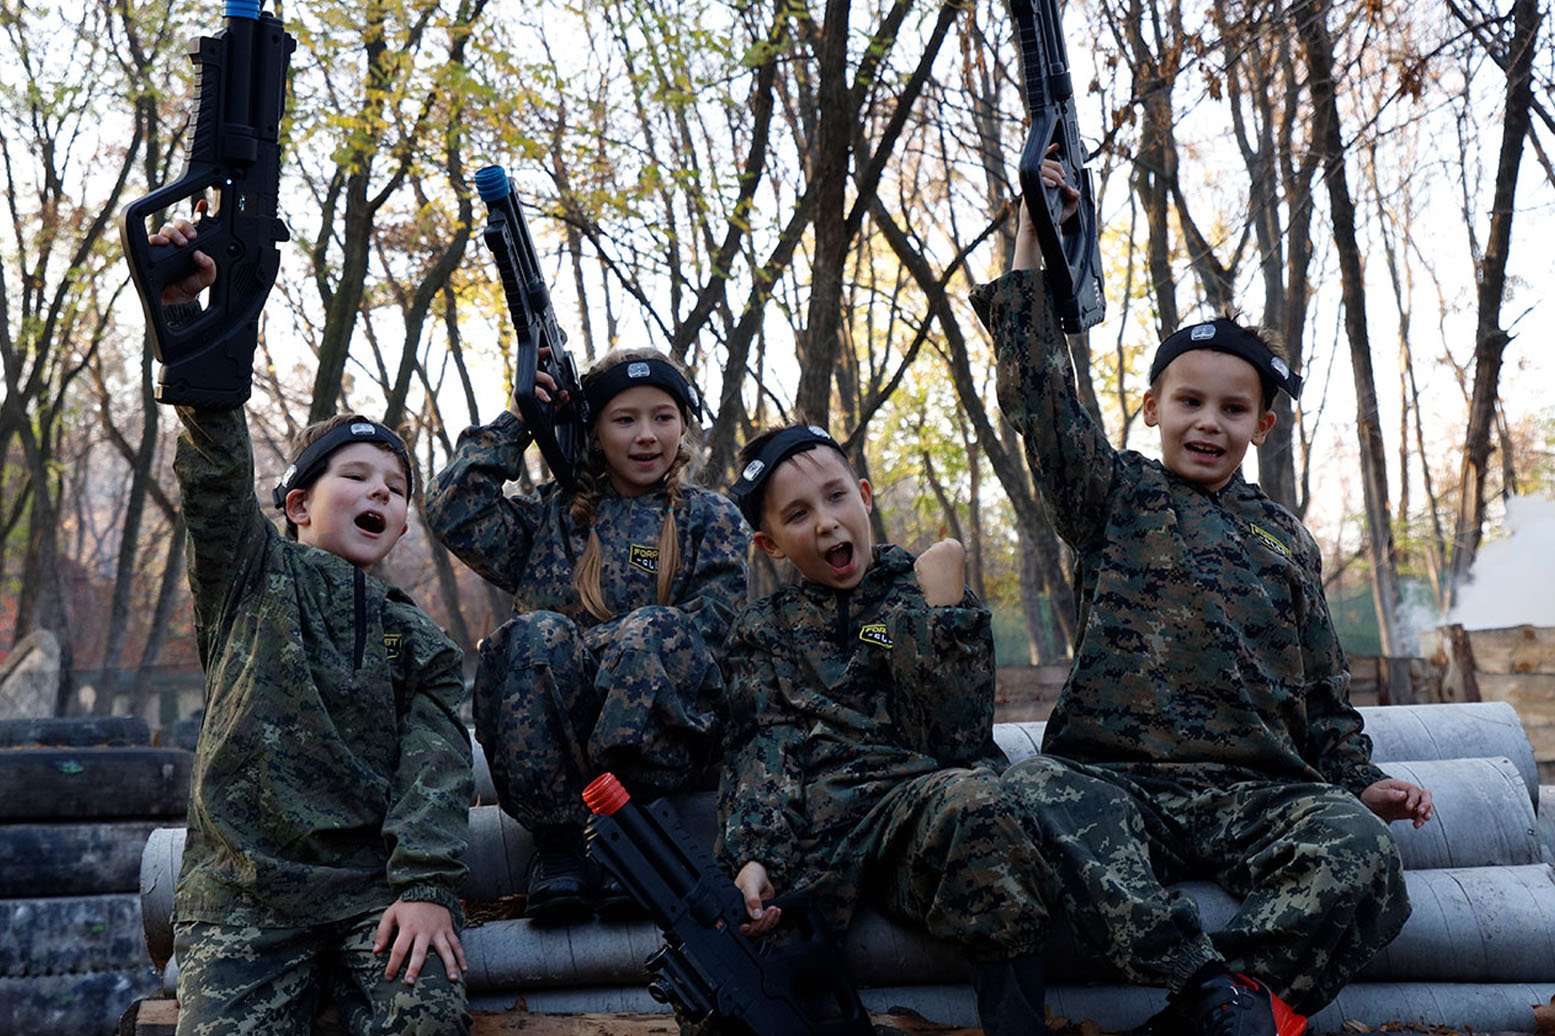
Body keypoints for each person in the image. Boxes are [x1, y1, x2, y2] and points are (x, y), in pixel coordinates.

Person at [968, 175, 1433, 1036]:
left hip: (1255, 795)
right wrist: (1035, 233)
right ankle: (1203, 989)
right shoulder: (1112, 495)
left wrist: (1364, 785)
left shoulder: (1284, 540)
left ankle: (1236, 1009)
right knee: (1030, 790)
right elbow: (1036, 390)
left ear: (1261, 426)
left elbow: (1323, 703)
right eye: (1188, 401)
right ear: (1150, 409)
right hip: (1116, 784)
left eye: (1233, 407)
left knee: (1359, 853)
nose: (1207, 422)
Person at [150, 216, 473, 1035]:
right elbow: (215, 463)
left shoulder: (424, 645)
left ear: (403, 524)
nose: (379, 494)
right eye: (355, 476)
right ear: (297, 505)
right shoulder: (251, 575)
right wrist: (189, 321)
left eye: (395, 488)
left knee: (428, 1022)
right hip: (242, 898)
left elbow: (434, 771)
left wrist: (427, 888)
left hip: (374, 898)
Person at [717, 424, 1058, 1036]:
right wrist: (754, 853)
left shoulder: (924, 591)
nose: (826, 523)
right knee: (737, 959)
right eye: (798, 514)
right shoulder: (762, 630)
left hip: (916, 817)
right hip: (819, 836)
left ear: (866, 496)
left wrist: (945, 616)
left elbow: (957, 741)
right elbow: (758, 748)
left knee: (978, 802)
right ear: (769, 544)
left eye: (836, 496)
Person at [425, 348, 748, 922]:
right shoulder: (553, 515)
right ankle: (558, 849)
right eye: (625, 419)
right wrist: (520, 421)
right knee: (533, 636)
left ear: (683, 425)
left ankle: (636, 831)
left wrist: (606, 650)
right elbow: (453, 510)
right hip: (561, 765)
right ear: (595, 431)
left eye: (663, 417)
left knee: (659, 630)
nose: (647, 435)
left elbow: (715, 633)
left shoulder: (711, 517)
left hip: (669, 753)